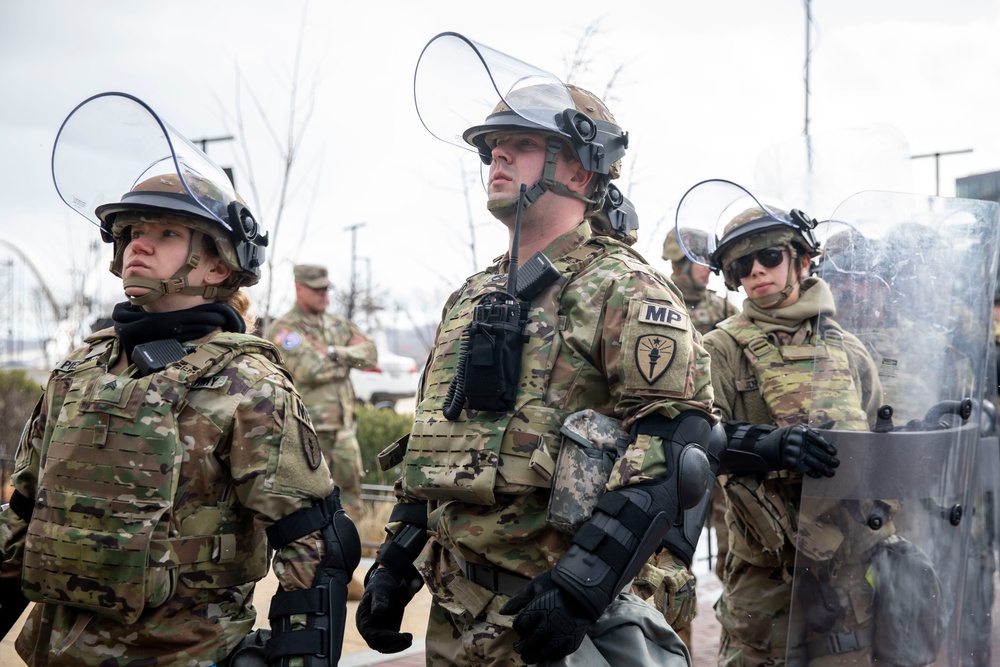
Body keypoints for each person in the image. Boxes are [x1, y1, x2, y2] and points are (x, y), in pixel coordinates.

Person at [356, 34, 717, 666]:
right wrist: (395, 559)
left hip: (564, 623)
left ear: (580, 169)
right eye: (494, 148)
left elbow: (675, 448)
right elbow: (439, 441)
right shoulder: (470, 297)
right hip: (458, 614)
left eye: (523, 146)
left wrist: (582, 586)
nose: (499, 156)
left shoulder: (624, 288)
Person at [0, 92, 360, 667]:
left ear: (217, 263)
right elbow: (21, 517)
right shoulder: (79, 371)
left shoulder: (248, 384)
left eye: (166, 234)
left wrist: (298, 656)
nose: (138, 243)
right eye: (133, 230)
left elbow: (314, 544)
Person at [686, 190, 883, 666]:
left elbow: (880, 443)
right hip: (765, 572)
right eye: (741, 265)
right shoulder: (720, 347)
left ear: (802, 261)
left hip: (847, 570)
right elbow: (695, 439)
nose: (756, 271)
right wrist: (771, 445)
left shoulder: (848, 348)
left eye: (769, 256)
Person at [266, 264, 377, 528]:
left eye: (326, 289)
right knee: (311, 504)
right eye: (316, 290)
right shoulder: (285, 330)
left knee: (351, 500)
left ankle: (350, 557)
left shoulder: (338, 324)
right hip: (309, 432)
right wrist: (346, 359)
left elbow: (370, 354)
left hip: (344, 430)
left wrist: (332, 352)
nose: (323, 295)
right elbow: (310, 369)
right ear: (299, 288)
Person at [662, 227, 738, 592]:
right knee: (670, 559)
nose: (708, 269)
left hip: (717, 438)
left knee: (732, 545)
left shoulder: (723, 308)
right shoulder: (660, 299)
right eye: (699, 261)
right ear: (680, 262)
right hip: (674, 442)